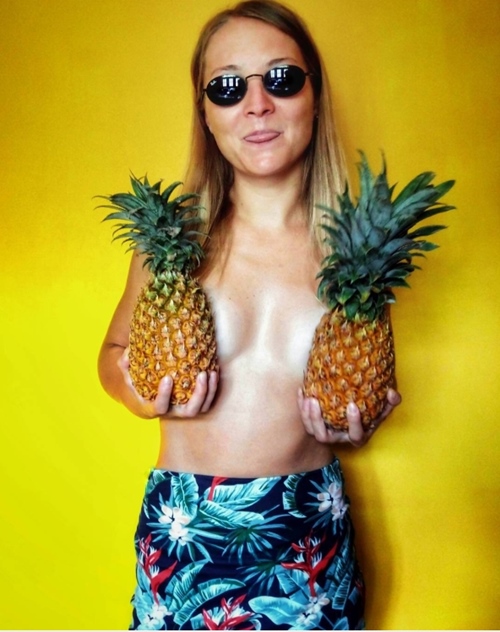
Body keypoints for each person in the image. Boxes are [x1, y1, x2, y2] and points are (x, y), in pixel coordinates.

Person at [98, 1, 401, 629]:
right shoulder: (173, 242)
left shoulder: (356, 255)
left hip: (309, 527)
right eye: (228, 87)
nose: (257, 105)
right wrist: (136, 392)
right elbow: (111, 356)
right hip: (186, 525)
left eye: (281, 79)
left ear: (314, 95)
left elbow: (360, 395)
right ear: (206, 114)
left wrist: (360, 424)